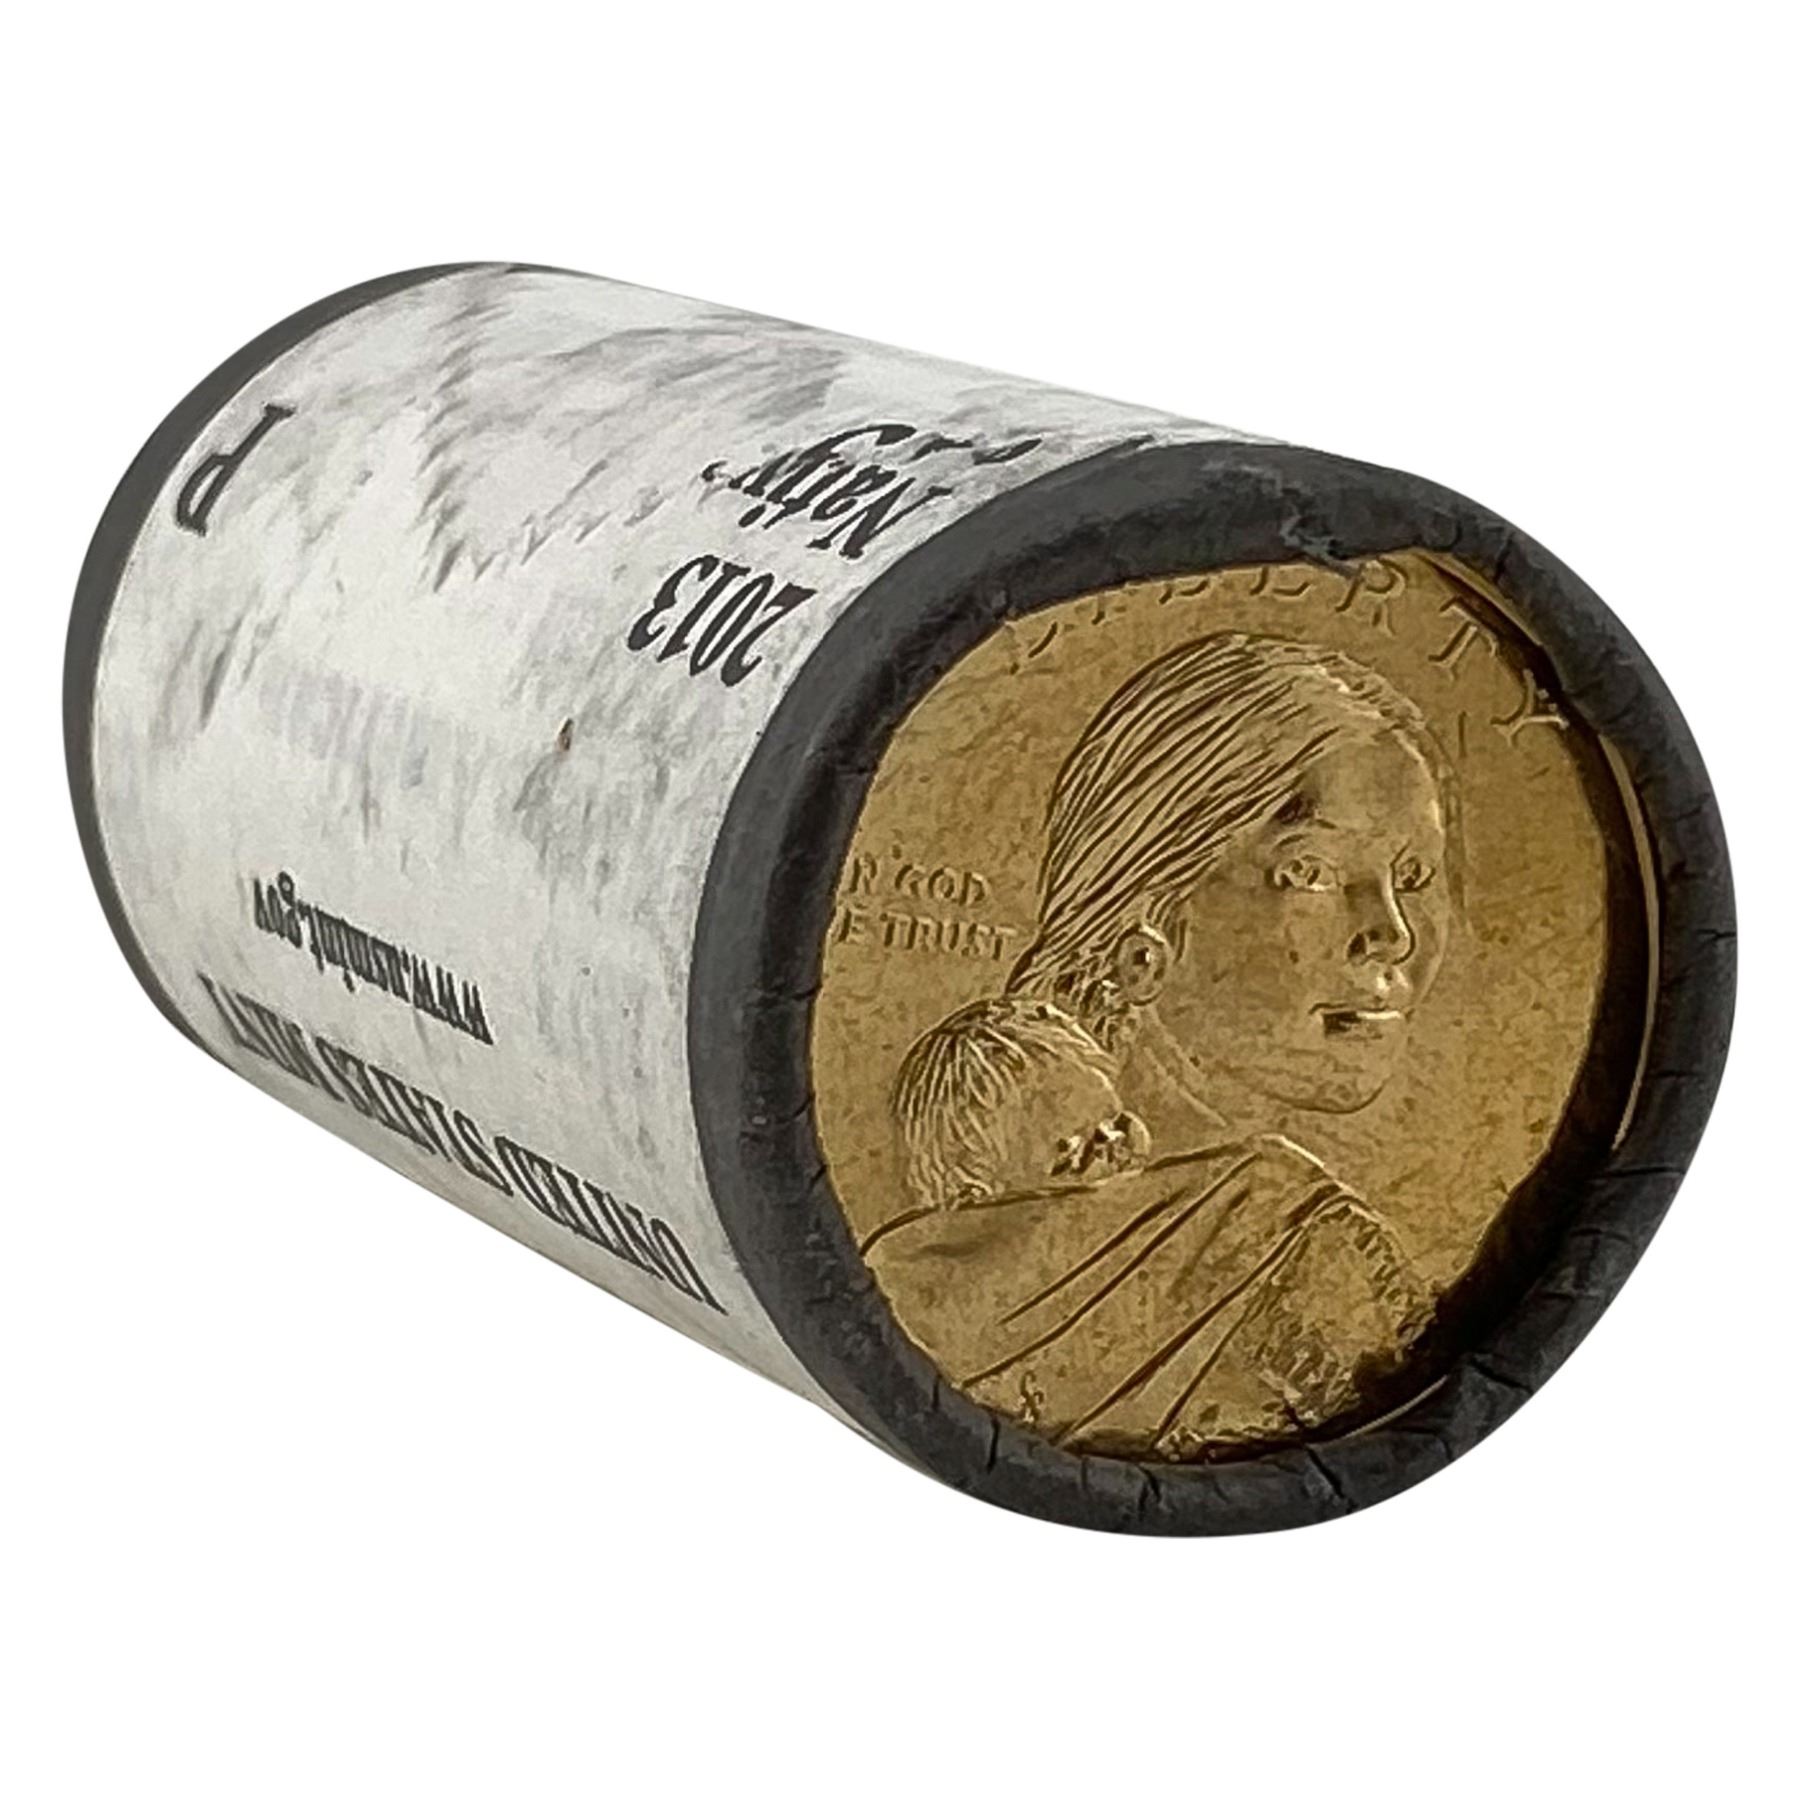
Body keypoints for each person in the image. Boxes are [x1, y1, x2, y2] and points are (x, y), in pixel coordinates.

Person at [870, 631, 1451, 1457]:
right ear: (1144, 942)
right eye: (1310, 870)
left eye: (1416, 877)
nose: (1392, 933)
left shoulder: (1302, 1231)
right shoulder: (1311, 1251)